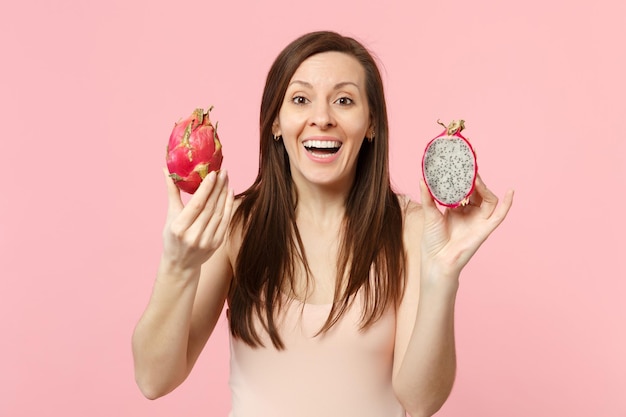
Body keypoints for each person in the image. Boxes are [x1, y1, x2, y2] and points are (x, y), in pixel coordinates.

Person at [132, 31, 514, 417]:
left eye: (344, 100)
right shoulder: (234, 225)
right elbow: (154, 379)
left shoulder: (411, 227)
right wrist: (177, 265)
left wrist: (443, 276)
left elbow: (420, 401)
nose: (322, 118)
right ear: (276, 123)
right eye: (300, 99)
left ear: (371, 125)